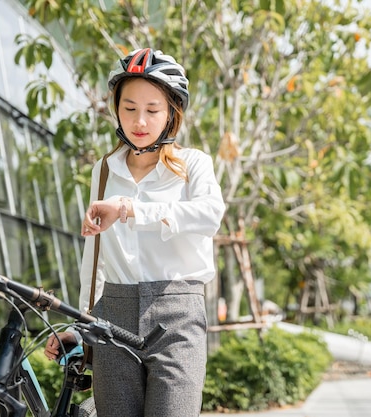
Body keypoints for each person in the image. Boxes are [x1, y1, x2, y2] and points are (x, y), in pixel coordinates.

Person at [44, 48, 226, 417]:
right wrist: (82, 329)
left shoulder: (193, 164)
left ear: (172, 112)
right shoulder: (105, 171)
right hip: (111, 315)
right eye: (129, 108)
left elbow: (210, 215)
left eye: (152, 109)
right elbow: (94, 261)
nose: (139, 121)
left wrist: (130, 209)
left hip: (177, 315)